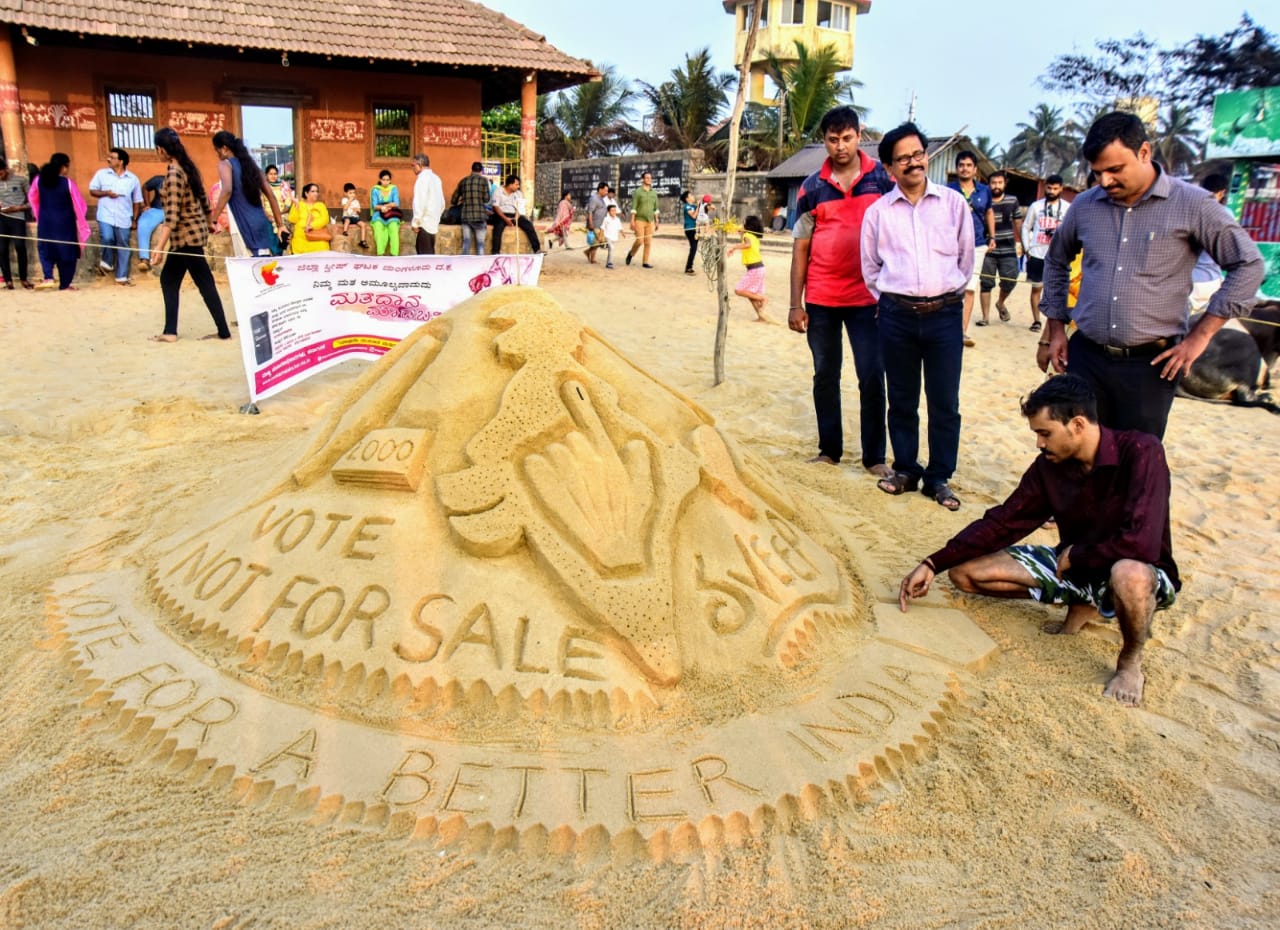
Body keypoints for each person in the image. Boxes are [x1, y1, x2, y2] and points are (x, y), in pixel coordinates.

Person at [897, 375, 1180, 706]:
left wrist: (1080, 556)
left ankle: (1130, 662)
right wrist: (933, 563)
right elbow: (1004, 522)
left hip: (1137, 572)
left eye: (1044, 433)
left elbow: (1142, 544)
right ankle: (1082, 601)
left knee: (1128, 574)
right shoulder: (1049, 467)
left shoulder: (1142, 451)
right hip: (1072, 567)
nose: (1039, 444)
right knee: (964, 573)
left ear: (1076, 424)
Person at [1040, 111, 1265, 440]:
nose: (1105, 182)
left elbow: (1249, 265)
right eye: (1098, 172)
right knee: (1077, 457)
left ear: (1144, 152)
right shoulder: (1086, 206)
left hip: (1152, 365)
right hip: (1085, 357)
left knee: (1135, 463)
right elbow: (1057, 260)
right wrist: (1055, 329)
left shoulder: (1193, 204)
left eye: (1115, 170)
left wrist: (1200, 337)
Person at [861, 122, 974, 510]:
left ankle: (940, 477)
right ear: (890, 169)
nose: (913, 163)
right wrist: (896, 301)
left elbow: (965, 259)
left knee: (945, 400)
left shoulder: (954, 204)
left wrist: (945, 298)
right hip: (896, 316)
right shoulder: (878, 214)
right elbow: (871, 270)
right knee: (903, 398)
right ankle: (906, 469)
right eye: (903, 158)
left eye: (918, 154)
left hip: (944, 315)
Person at [789, 104, 896, 477]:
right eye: (832, 140)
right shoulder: (811, 187)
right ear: (824, 141)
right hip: (821, 297)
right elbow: (800, 246)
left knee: (871, 374)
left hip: (870, 298)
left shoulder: (882, 179)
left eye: (846, 138)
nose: (840, 146)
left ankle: (874, 457)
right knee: (825, 374)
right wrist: (795, 304)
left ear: (858, 135)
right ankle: (829, 450)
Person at [148, 128, 231, 343]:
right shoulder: (187, 168)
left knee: (202, 282)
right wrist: (208, 222)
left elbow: (172, 216)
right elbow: (204, 200)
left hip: (185, 237)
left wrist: (158, 247)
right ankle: (171, 331)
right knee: (171, 279)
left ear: (161, 149)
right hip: (191, 235)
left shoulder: (175, 174)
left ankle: (220, 331)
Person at [209, 131, 284, 258]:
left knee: (248, 269)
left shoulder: (225, 164)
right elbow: (271, 196)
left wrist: (214, 219)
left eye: (216, 150)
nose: (217, 154)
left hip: (243, 223)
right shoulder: (252, 166)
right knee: (262, 266)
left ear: (224, 149)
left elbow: (227, 190)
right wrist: (280, 225)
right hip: (261, 223)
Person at [947, 150, 995, 347]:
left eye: (968, 165)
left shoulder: (984, 191)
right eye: (961, 165)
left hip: (977, 244)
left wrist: (992, 237)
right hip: (951, 246)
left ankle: (962, 331)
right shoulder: (948, 190)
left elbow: (989, 212)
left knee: (969, 288)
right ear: (957, 168)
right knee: (951, 289)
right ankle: (948, 329)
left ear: (975, 169)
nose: (964, 169)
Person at [30, 153, 89, 291]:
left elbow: (32, 198)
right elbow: (79, 204)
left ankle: (48, 276)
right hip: (65, 222)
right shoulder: (67, 183)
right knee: (67, 250)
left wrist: (39, 214)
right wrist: (82, 222)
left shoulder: (38, 180)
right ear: (63, 167)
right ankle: (65, 284)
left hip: (45, 221)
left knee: (46, 248)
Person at [1020, 173, 1069, 334]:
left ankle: (1053, 322)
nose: (1052, 191)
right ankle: (1036, 320)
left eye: (1055, 188)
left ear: (1061, 188)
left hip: (1058, 256)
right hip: (1037, 253)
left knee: (1056, 290)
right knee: (1036, 289)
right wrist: (1027, 248)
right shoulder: (1036, 206)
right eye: (1049, 188)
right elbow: (1026, 227)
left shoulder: (1068, 208)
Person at [88, 147, 143, 286]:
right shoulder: (101, 174)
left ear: (121, 161)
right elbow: (92, 191)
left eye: (112, 157)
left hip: (124, 217)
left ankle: (121, 277)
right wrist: (106, 193)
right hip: (105, 215)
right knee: (107, 237)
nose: (108, 159)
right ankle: (107, 262)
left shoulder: (133, 179)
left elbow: (137, 201)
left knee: (123, 245)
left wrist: (134, 219)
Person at [976, 169, 1022, 326]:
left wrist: (1023, 243)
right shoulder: (982, 201)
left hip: (1008, 248)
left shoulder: (1012, 200)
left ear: (1004, 184)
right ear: (988, 185)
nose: (996, 186)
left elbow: (1018, 223)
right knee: (986, 282)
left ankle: (1000, 303)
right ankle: (985, 317)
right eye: (993, 183)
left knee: (1010, 280)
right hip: (987, 248)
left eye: (999, 183)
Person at [1189, 173, 1234, 311]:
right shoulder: (1226, 214)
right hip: (1212, 282)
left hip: (1188, 282)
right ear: (1222, 192)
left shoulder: (1190, 210)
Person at [726, 215, 775, 323]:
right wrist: (741, 233)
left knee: (739, 290)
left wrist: (734, 247)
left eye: (743, 222)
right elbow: (746, 242)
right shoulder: (752, 236)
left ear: (747, 226)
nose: (741, 224)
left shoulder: (748, 235)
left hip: (755, 269)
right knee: (751, 294)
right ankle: (761, 316)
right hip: (758, 268)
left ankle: (763, 299)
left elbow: (747, 245)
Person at [489, 174, 540, 254]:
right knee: (498, 228)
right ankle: (495, 252)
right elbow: (496, 207)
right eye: (516, 184)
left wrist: (516, 217)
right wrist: (506, 219)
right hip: (501, 214)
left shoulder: (518, 193)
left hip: (514, 214)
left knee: (528, 225)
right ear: (510, 184)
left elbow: (520, 207)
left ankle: (537, 249)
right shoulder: (498, 191)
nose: (518, 186)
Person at [0, 163, 32, 289]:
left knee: (20, 246)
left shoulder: (21, 180)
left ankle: (24, 278)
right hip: (1, 217)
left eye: (1, 173)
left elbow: (32, 199)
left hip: (17, 217)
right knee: (2, 250)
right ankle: (8, 280)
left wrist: (19, 207)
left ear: (6, 169)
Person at [451, 162, 490, 256]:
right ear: (481, 171)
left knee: (466, 241)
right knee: (480, 244)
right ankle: (480, 265)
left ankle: (465, 264)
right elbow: (486, 199)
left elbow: (453, 200)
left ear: (471, 169)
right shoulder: (484, 181)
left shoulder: (463, 181)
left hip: (466, 216)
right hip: (480, 216)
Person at [409, 153, 445, 255]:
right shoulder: (436, 178)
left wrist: (416, 222)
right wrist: (437, 217)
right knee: (429, 253)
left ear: (419, 164)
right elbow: (442, 203)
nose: (413, 168)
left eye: (413, 165)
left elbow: (420, 202)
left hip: (424, 223)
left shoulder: (422, 179)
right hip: (433, 222)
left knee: (424, 257)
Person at [625, 171, 659, 267]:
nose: (649, 179)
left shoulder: (654, 193)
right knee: (640, 241)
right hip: (639, 220)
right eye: (647, 178)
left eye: (650, 178)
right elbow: (634, 207)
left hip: (650, 221)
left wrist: (657, 221)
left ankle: (645, 262)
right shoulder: (638, 192)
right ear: (643, 179)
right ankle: (631, 254)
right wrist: (632, 221)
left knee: (648, 242)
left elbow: (656, 208)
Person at [287, 183, 331, 254]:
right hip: (301, 237)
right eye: (313, 191)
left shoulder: (321, 205)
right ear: (306, 193)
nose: (316, 193)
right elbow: (292, 219)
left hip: (317, 237)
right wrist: (296, 205)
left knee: (322, 248)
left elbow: (325, 219)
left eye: (317, 191)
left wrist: (312, 226)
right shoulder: (299, 204)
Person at [136, 174, 165, 272]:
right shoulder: (159, 179)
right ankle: (144, 259)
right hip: (157, 210)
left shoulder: (186, 182)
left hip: (177, 212)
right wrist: (147, 204)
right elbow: (145, 187)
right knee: (143, 224)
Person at [370, 170, 402, 256]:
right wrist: (382, 208)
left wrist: (386, 206)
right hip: (378, 214)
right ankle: (380, 253)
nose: (386, 182)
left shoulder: (393, 188)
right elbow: (374, 205)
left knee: (394, 229)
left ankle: (394, 254)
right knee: (378, 228)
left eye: (388, 180)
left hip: (391, 213)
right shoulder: (376, 190)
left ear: (390, 180)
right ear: (380, 180)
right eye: (383, 179)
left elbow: (396, 203)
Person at [584, 181, 610, 264]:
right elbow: (590, 212)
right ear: (600, 190)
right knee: (601, 241)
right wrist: (591, 224)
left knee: (596, 242)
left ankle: (591, 257)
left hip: (600, 224)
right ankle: (589, 253)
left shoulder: (601, 199)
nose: (606, 193)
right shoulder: (594, 199)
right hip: (595, 224)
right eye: (605, 191)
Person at [339, 183, 369, 250]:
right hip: (347, 216)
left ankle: (362, 241)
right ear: (345, 194)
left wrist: (357, 210)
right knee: (347, 220)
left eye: (353, 193)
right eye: (350, 193)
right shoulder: (344, 200)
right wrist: (349, 200)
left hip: (355, 217)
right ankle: (345, 231)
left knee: (363, 225)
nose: (352, 195)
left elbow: (359, 211)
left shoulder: (356, 201)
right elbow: (345, 208)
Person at [680, 190, 699, 275]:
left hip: (695, 229)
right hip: (690, 229)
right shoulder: (687, 206)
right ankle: (688, 267)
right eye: (691, 195)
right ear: (687, 199)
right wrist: (699, 206)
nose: (693, 196)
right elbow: (694, 216)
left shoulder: (693, 206)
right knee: (693, 248)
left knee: (694, 248)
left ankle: (689, 267)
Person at [600, 202, 623, 268]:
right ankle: (610, 263)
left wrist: (623, 233)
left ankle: (607, 263)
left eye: (615, 210)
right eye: (612, 210)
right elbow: (602, 228)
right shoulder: (606, 219)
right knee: (612, 248)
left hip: (614, 237)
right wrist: (600, 236)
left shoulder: (617, 219)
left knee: (610, 250)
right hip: (608, 236)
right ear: (608, 211)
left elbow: (620, 227)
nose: (614, 212)